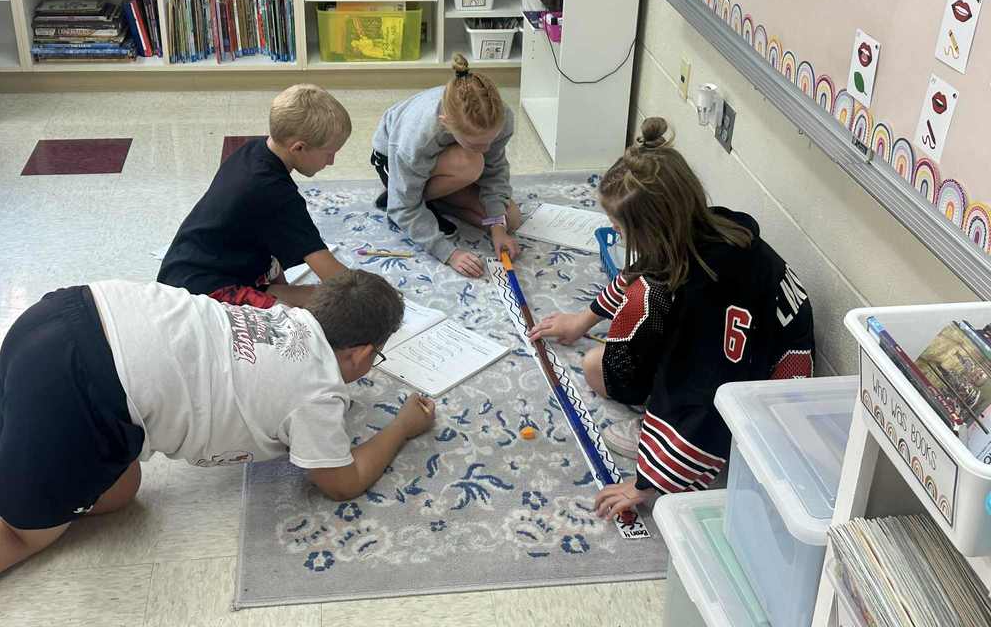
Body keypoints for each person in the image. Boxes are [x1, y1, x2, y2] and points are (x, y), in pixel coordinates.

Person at [0, 270, 435, 586]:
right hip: (82, 387)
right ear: (358, 353)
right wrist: (402, 426)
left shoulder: (289, 317)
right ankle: (24, 511)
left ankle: (23, 487)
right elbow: (341, 482)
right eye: (375, 357)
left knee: (119, 489)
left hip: (67, 312)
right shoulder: (318, 391)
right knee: (22, 533)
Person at [527, 117, 815, 518]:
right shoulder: (709, 225)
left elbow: (703, 393)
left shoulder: (706, 297)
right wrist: (584, 318)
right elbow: (645, 271)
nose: (618, 235)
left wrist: (648, 482)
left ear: (654, 231)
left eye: (619, 228)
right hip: (762, 351)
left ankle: (666, 446)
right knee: (614, 350)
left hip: (764, 399)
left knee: (598, 368)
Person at [158, 84, 350, 309]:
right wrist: (371, 293)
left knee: (318, 297)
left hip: (189, 270)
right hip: (200, 293)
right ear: (298, 148)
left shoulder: (253, 150)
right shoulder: (275, 194)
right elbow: (336, 278)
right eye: (329, 153)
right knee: (325, 309)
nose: (331, 162)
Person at [371, 53, 522, 278]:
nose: (486, 147)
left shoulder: (501, 117)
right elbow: (404, 208)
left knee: (511, 218)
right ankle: (404, 198)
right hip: (391, 162)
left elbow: (495, 172)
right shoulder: (416, 136)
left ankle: (431, 203)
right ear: (446, 124)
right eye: (476, 143)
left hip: (444, 164)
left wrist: (497, 229)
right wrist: (450, 254)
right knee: (472, 162)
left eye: (490, 140)